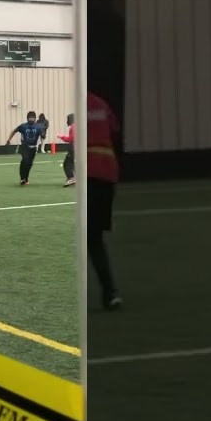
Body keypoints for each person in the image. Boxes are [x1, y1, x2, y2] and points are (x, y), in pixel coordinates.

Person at [88, 94, 123, 310]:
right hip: (107, 171)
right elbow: (115, 128)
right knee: (94, 239)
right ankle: (110, 293)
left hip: (89, 171)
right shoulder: (100, 102)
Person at [5, 111, 44, 185]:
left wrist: (43, 137)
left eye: (33, 118)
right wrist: (9, 140)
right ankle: (22, 178)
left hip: (33, 148)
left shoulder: (38, 127)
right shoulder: (23, 126)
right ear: (27, 118)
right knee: (25, 161)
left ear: (35, 118)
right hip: (24, 147)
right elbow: (14, 131)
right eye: (30, 118)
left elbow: (42, 135)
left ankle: (26, 178)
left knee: (29, 164)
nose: (31, 119)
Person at [58, 113, 77, 187]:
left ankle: (71, 178)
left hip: (74, 148)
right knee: (73, 163)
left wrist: (62, 137)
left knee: (67, 164)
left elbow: (71, 139)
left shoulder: (73, 127)